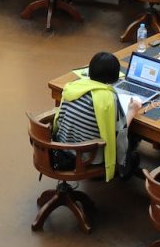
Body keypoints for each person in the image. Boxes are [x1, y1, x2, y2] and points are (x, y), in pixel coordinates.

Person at [55, 52, 146, 181]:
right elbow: (119, 134)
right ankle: (123, 172)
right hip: (88, 157)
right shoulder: (107, 98)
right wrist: (132, 111)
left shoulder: (73, 87)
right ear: (115, 77)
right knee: (133, 137)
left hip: (63, 148)